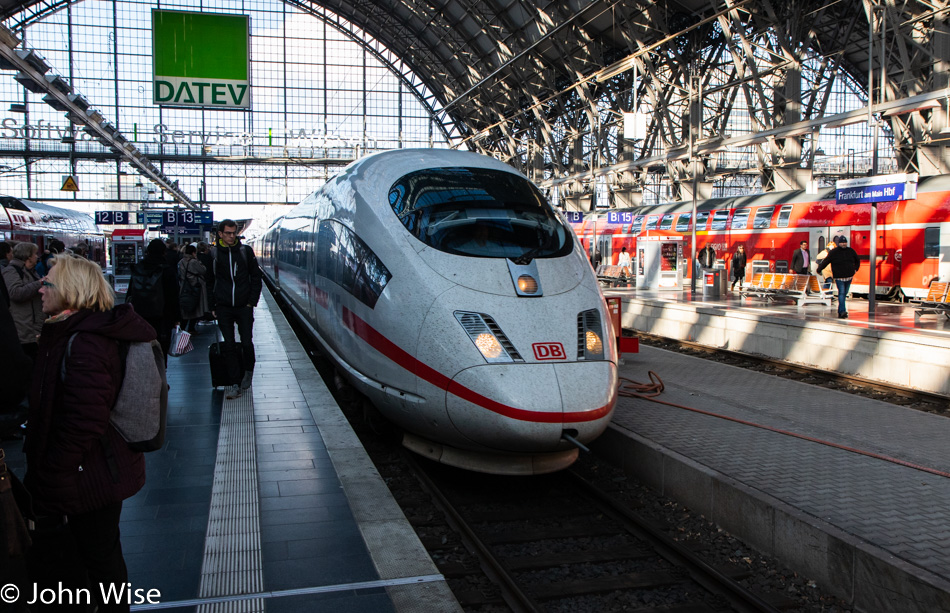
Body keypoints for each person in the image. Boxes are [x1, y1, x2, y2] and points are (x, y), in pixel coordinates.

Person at [26, 252, 154, 613]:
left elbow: (84, 420)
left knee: (98, 559)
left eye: (46, 282)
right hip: (93, 470)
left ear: (69, 288)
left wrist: (54, 470)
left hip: (88, 473)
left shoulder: (84, 342)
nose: (40, 288)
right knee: (98, 554)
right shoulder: (70, 332)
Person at [211, 220, 262, 398]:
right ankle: (234, 382)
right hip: (224, 306)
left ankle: (248, 371)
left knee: (247, 342)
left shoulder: (245, 251)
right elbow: (210, 281)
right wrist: (213, 305)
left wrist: (251, 302)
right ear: (220, 234)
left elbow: (256, 277)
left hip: (243, 307)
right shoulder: (215, 253)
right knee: (229, 345)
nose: (232, 236)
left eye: (234, 233)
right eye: (228, 233)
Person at [126, 239, 179, 362]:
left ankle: (146, 373)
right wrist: (176, 318)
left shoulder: (138, 268)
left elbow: (130, 293)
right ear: (163, 252)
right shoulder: (167, 270)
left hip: (140, 314)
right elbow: (173, 296)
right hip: (163, 316)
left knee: (142, 344)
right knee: (161, 347)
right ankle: (161, 375)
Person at [2, 241, 46, 359]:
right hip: (22, 329)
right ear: (28, 256)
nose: (37, 256)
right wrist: (40, 283)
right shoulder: (11, 271)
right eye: (35, 254)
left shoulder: (31, 272)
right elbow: (15, 293)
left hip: (33, 328)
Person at [817, 237, 860, 319]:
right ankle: (842, 311)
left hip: (849, 277)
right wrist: (819, 269)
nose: (844, 244)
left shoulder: (851, 251)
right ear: (839, 243)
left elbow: (857, 260)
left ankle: (841, 311)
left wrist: (855, 269)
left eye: (845, 242)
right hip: (839, 277)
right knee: (842, 293)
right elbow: (826, 261)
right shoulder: (834, 252)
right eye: (842, 242)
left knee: (844, 293)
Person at [178, 243, 208, 333]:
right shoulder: (194, 262)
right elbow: (203, 270)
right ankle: (191, 328)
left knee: (186, 308)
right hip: (195, 287)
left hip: (184, 287)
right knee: (195, 307)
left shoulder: (181, 262)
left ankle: (183, 329)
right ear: (193, 253)